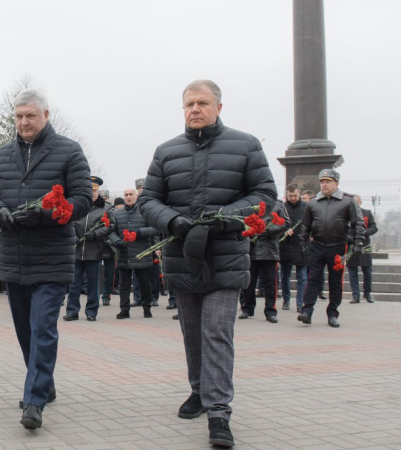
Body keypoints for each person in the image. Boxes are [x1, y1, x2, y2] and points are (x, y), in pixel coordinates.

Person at [138, 80, 277, 447]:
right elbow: (148, 200)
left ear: (218, 106)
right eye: (188, 104)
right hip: (182, 257)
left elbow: (264, 196)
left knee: (216, 330)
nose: (194, 109)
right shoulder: (166, 151)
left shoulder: (246, 145)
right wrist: (172, 221)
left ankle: (219, 412)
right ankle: (199, 391)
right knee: (192, 333)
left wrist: (223, 217)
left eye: (202, 102)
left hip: (225, 258)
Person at [0, 89, 91, 429]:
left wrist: (44, 213)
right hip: (14, 256)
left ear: (45, 115)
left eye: (30, 115)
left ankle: (34, 400)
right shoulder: (3, 154)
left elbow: (82, 199)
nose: (24, 122)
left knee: (43, 327)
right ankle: (45, 383)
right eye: (18, 116)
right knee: (25, 331)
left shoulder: (69, 151)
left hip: (52, 256)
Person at [298, 169, 365, 328]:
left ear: (336, 183)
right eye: (322, 182)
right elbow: (305, 225)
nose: (324, 184)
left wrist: (359, 243)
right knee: (313, 279)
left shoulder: (348, 201)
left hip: (338, 246)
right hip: (318, 246)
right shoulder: (313, 202)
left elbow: (358, 223)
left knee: (335, 282)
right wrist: (302, 242)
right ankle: (306, 311)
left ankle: (333, 314)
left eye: (327, 181)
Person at [65, 176, 112, 321]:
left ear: (98, 191)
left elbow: (110, 227)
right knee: (74, 284)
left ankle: (91, 311)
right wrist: (74, 237)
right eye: (89, 190)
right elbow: (69, 222)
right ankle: (72, 311)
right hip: (77, 250)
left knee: (93, 284)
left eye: (94, 190)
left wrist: (95, 234)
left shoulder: (106, 208)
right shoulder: (78, 206)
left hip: (94, 250)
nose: (92, 193)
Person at [109, 187, 160, 319]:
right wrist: (116, 241)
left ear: (136, 196)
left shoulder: (144, 212)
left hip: (141, 254)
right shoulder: (117, 213)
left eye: (131, 194)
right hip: (124, 254)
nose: (128, 197)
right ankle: (124, 309)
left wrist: (139, 232)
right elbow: (112, 231)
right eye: (126, 195)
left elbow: (154, 229)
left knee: (145, 284)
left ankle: (147, 308)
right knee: (124, 285)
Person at [239, 200, 289, 322]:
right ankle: (247, 308)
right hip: (251, 249)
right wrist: (250, 231)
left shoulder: (278, 205)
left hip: (269, 250)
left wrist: (267, 232)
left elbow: (286, 223)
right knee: (248, 282)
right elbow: (241, 220)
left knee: (270, 283)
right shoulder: (250, 202)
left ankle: (270, 311)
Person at [279, 184, 309, 312]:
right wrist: (284, 231)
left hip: (301, 245)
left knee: (302, 276)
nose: (292, 198)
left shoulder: (306, 207)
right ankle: (286, 300)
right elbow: (276, 224)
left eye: (295, 196)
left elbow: (310, 224)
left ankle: (300, 302)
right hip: (285, 245)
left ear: (299, 193)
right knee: (285, 275)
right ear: (286, 194)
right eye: (290, 196)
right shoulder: (282, 207)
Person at [348, 195, 378, 303]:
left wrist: (364, 233)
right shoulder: (346, 215)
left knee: (368, 271)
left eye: (357, 203)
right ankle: (355, 295)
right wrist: (350, 238)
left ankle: (367, 293)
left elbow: (374, 227)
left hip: (365, 245)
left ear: (360, 202)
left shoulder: (367, 213)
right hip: (351, 245)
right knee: (352, 272)